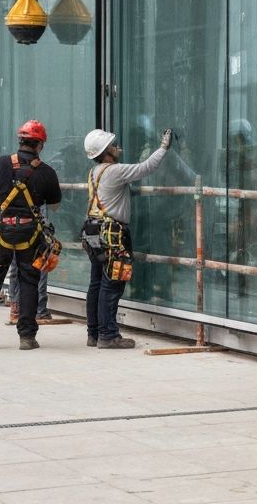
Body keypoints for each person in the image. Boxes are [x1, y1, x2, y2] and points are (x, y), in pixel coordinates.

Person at [0, 120, 62, 350]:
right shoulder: (46, 171)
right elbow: (54, 205)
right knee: (29, 280)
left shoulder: (1, 163)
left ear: (20, 141)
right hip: (30, 232)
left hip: (1, 231)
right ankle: (27, 337)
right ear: (40, 145)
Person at [82, 125, 172, 348]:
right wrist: (163, 147)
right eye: (112, 145)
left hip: (93, 231)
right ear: (105, 152)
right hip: (112, 233)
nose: (116, 147)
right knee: (112, 283)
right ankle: (108, 335)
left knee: (96, 282)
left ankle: (94, 333)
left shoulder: (94, 172)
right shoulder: (114, 171)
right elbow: (146, 167)